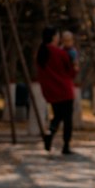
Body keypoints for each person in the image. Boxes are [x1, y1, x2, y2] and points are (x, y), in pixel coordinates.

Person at [35, 26, 77, 155]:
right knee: (67, 119)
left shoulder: (41, 53)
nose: (59, 38)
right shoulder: (60, 53)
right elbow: (71, 72)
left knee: (57, 116)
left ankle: (50, 134)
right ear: (54, 37)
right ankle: (66, 145)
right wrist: (76, 66)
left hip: (51, 91)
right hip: (64, 90)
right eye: (58, 36)